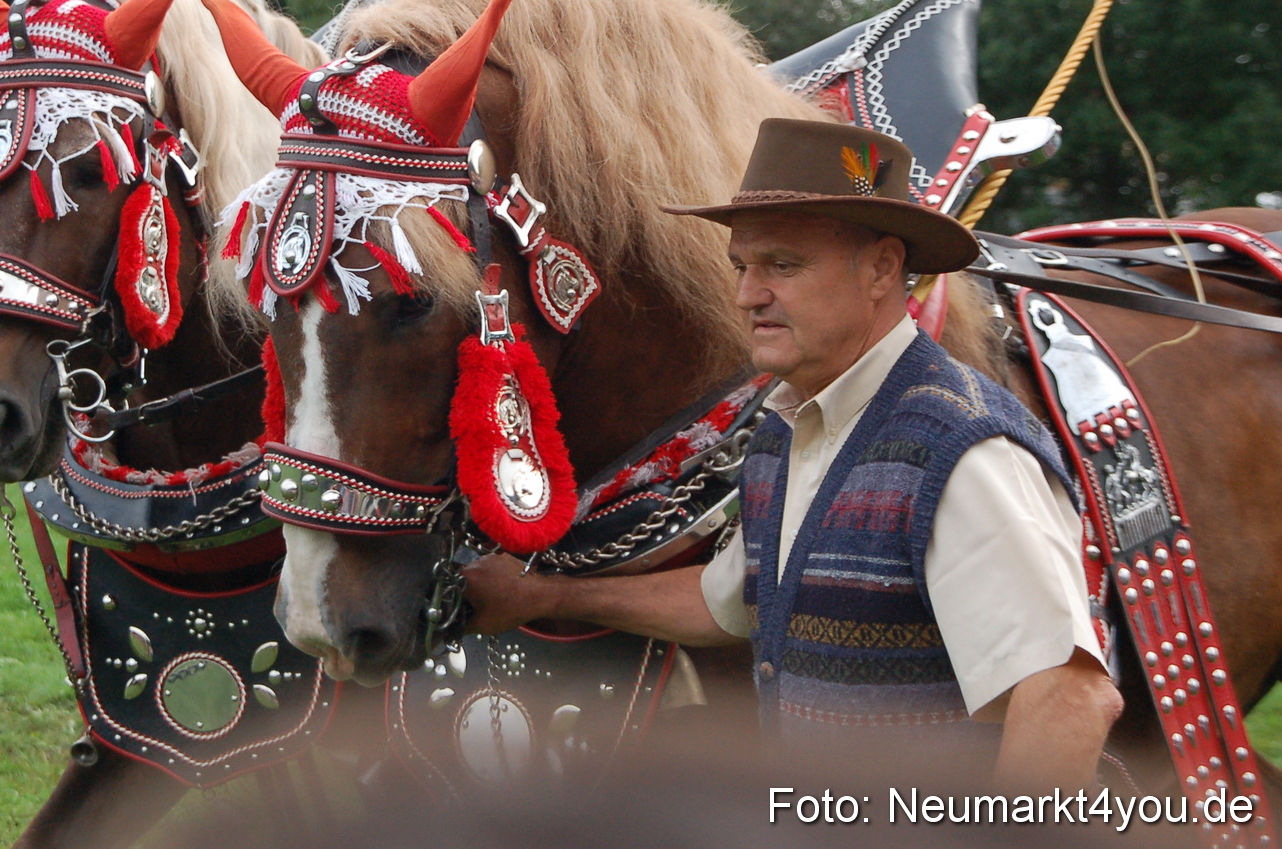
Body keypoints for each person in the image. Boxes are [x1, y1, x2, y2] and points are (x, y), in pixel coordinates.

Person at [463, 119, 1121, 789]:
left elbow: (1067, 699)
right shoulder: (786, 429)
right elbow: (734, 602)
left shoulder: (961, 450)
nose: (748, 294)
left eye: (783, 264)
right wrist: (543, 595)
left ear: (883, 268)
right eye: (741, 266)